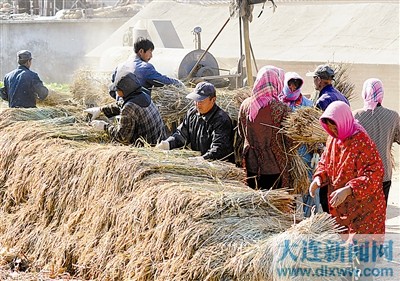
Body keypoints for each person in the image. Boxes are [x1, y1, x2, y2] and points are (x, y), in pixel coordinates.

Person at [309, 101, 385, 235]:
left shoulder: (361, 141)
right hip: (342, 208)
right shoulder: (333, 139)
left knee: (363, 251)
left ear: (344, 121)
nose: (334, 131)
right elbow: (325, 163)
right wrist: (318, 178)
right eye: (330, 128)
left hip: (364, 210)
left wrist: (349, 189)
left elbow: (375, 174)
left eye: (336, 127)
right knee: (345, 249)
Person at [238, 65, 292, 190]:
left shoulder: (245, 105)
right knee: (274, 205)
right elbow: (289, 140)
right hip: (274, 165)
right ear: (276, 83)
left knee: (254, 203)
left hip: (251, 163)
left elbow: (241, 133)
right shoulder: (281, 109)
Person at [306, 64, 350, 212]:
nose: (314, 82)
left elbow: (319, 131)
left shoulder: (322, 101)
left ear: (319, 80)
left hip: (330, 151)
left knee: (327, 193)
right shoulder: (342, 97)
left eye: (314, 79)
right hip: (345, 149)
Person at [156, 82, 234, 161]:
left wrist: (202, 159)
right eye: (196, 100)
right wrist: (167, 144)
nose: (197, 104)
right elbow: (181, 135)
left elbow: (219, 149)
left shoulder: (221, 120)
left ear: (213, 100)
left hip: (217, 166)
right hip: (200, 161)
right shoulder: (192, 113)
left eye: (201, 101)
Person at [85, 71, 166, 146]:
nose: (116, 92)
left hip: (148, 149)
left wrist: (104, 127)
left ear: (125, 90)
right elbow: (121, 105)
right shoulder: (142, 94)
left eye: (118, 90)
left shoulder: (129, 108)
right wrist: (101, 110)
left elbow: (122, 137)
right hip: (160, 142)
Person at [353, 78, 400, 206]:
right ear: (381, 94)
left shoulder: (355, 116)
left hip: (361, 173)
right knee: (380, 212)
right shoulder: (393, 116)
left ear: (365, 93)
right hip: (384, 173)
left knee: (362, 212)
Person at [279, 71, 315, 216]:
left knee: (305, 188)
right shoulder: (279, 103)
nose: (293, 88)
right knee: (288, 189)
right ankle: (290, 217)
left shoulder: (307, 105)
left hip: (303, 153)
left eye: (296, 85)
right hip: (285, 153)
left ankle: (306, 217)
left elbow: (312, 131)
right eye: (290, 84)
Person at [112, 37, 183, 94]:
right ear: (141, 51)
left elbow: (113, 85)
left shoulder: (119, 66)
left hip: (121, 104)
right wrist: (179, 83)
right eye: (150, 52)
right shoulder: (145, 67)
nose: (151, 56)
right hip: (138, 106)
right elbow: (162, 81)